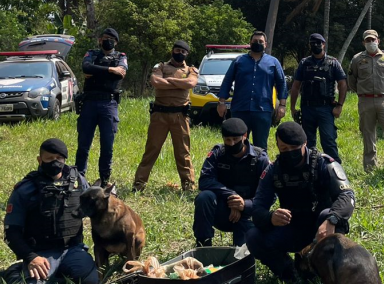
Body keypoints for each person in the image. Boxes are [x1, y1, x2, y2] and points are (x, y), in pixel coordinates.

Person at [246, 122, 355, 283]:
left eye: (294, 148)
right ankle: (289, 273)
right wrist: (270, 217)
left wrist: (332, 219)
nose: (290, 152)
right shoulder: (273, 171)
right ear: (277, 146)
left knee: (330, 215)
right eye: (284, 148)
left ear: (305, 143)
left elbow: (347, 195)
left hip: (322, 228)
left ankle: (325, 273)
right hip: (292, 227)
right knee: (253, 236)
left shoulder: (324, 164)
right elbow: (257, 209)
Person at [0, 138, 97, 284]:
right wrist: (31, 257)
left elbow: (97, 209)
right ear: (40, 160)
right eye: (49, 158)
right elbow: (11, 232)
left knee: (90, 281)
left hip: (72, 250)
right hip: (40, 254)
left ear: (65, 159)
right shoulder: (25, 189)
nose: (55, 162)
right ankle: (12, 273)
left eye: (59, 158)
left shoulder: (78, 182)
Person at [133, 39, 199, 192]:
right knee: (152, 149)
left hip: (180, 116)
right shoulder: (161, 66)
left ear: (187, 54)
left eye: (183, 52)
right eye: (177, 50)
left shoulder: (191, 70)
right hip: (160, 115)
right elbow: (156, 82)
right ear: (172, 51)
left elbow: (190, 83)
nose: (180, 53)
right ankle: (139, 184)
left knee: (183, 152)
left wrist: (168, 80)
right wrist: (179, 83)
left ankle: (188, 186)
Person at [193, 118, 270, 247]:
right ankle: (203, 244)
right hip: (223, 209)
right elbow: (205, 180)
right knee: (204, 197)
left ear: (244, 136)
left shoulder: (260, 159)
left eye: (235, 139)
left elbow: (269, 195)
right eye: (227, 140)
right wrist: (232, 196)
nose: (232, 143)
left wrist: (244, 205)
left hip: (249, 213)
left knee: (241, 254)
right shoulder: (218, 153)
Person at [217, 31, 289, 150]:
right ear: (250, 43)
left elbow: (282, 83)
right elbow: (227, 81)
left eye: (261, 41)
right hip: (240, 109)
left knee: (260, 147)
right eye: (255, 41)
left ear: (265, 44)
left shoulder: (273, 62)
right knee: (237, 145)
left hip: (263, 111)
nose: (258, 43)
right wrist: (221, 102)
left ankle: (260, 163)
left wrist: (282, 105)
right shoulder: (239, 61)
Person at [76, 28, 127, 186]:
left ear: (116, 42)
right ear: (100, 40)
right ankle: (79, 179)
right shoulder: (91, 54)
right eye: (105, 37)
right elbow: (86, 67)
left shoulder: (121, 56)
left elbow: (120, 73)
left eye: (111, 39)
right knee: (83, 144)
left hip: (108, 104)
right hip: (89, 103)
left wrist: (96, 70)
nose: (107, 41)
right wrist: (110, 69)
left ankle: (104, 180)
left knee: (107, 145)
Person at [348, 29, 384, 172]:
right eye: (368, 40)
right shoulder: (357, 59)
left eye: (373, 40)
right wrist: (362, 92)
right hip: (365, 100)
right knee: (368, 133)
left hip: (383, 99)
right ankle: (370, 166)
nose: (371, 42)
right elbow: (352, 81)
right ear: (363, 42)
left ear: (378, 41)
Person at [288, 33, 348, 163]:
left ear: (323, 44)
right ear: (309, 45)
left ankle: (335, 169)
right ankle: (309, 168)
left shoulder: (333, 63)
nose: (315, 45)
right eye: (312, 43)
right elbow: (296, 86)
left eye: (318, 43)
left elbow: (343, 84)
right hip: (307, 108)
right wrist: (292, 108)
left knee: (328, 141)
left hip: (326, 108)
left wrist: (339, 106)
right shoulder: (304, 63)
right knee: (307, 143)